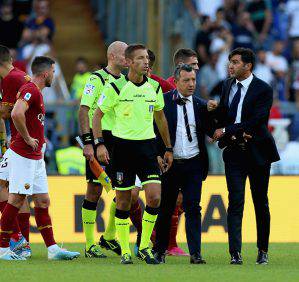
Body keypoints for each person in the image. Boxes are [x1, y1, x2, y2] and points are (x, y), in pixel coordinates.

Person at [92, 44, 173, 264]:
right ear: (128, 63)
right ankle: (126, 250)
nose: (146, 62)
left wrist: (167, 148)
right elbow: (97, 116)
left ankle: (145, 245)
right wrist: (99, 144)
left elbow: (160, 118)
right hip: (122, 149)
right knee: (124, 201)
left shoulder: (155, 88)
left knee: (155, 196)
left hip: (147, 149)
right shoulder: (116, 88)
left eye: (147, 58)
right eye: (140, 58)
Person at [0, 56, 80, 260]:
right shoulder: (31, 90)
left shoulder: (37, 92)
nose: (55, 75)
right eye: (54, 71)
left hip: (34, 157)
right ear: (46, 73)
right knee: (16, 198)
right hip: (24, 154)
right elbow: (17, 113)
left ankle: (53, 249)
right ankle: (2, 249)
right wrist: (27, 138)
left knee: (43, 201)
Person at [213, 48, 280, 265]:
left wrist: (227, 130)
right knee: (235, 202)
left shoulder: (263, 89)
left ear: (248, 66)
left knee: (261, 202)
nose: (230, 66)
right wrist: (215, 116)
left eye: (234, 62)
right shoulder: (227, 85)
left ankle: (263, 250)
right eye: (229, 62)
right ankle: (235, 253)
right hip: (234, 152)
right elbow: (224, 113)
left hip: (258, 152)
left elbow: (257, 121)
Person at [153, 64, 215, 264]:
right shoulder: (162, 103)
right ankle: (160, 251)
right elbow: (153, 132)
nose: (191, 84)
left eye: (194, 80)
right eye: (186, 80)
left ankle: (196, 253)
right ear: (176, 81)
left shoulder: (200, 105)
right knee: (166, 208)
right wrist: (158, 155)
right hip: (171, 164)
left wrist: (218, 114)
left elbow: (211, 130)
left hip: (194, 163)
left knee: (193, 208)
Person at [78, 41, 127, 258]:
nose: (128, 58)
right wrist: (89, 142)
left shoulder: (127, 81)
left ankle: (108, 237)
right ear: (113, 56)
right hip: (101, 139)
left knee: (127, 191)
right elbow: (83, 111)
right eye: (125, 55)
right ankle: (90, 244)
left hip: (122, 139)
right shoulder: (96, 79)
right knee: (94, 191)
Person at [0, 45, 32, 257]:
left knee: (4, 186)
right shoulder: (21, 76)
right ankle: (23, 243)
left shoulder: (11, 79)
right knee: (18, 190)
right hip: (22, 140)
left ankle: (16, 238)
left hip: (21, 141)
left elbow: (5, 112)